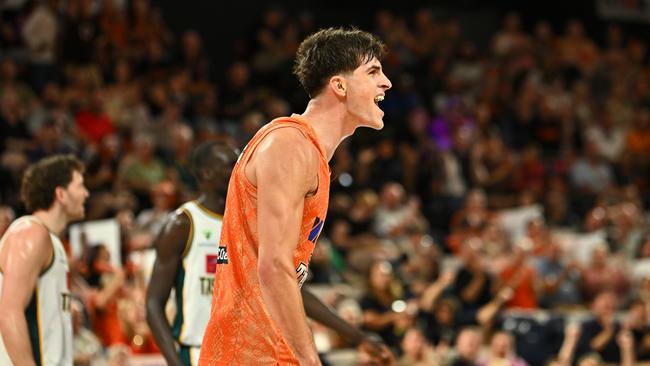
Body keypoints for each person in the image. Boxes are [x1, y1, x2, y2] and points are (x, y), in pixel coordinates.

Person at [199, 27, 393, 365]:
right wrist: (311, 361)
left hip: (272, 349)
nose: (387, 82)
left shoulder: (311, 155)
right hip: (249, 353)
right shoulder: (289, 145)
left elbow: (288, 275)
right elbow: (274, 267)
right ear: (340, 85)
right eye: (373, 71)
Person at [146, 141, 239, 366]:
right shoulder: (183, 223)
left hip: (241, 353)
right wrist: (176, 362)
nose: (239, 170)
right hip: (198, 352)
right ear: (206, 173)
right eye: (230, 165)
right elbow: (153, 304)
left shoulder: (246, 222)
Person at [0, 154, 89, 365]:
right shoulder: (30, 232)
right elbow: (8, 312)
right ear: (61, 194)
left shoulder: (51, 241)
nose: (86, 193)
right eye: (80, 186)